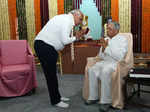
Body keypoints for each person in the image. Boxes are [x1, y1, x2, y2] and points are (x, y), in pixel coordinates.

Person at [34, 9, 85, 108]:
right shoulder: (67, 21)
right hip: (45, 47)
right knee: (51, 75)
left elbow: (60, 39)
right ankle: (55, 100)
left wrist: (74, 37)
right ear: (74, 15)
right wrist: (76, 38)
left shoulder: (64, 18)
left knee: (52, 74)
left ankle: (57, 96)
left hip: (44, 46)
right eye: (80, 19)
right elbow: (65, 40)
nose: (80, 22)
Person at [85, 21, 128, 111]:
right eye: (107, 28)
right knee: (92, 70)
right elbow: (101, 56)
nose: (107, 30)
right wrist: (103, 48)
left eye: (109, 29)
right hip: (105, 61)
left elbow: (119, 57)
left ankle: (105, 101)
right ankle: (93, 97)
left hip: (115, 63)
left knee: (105, 71)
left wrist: (107, 47)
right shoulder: (106, 39)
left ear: (116, 30)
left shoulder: (122, 39)